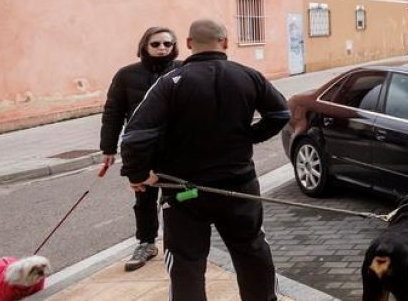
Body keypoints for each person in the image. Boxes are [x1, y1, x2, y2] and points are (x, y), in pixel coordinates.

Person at [120, 19, 291, 301]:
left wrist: (138, 174)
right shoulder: (249, 76)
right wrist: (249, 136)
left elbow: (136, 135)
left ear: (188, 44)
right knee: (251, 250)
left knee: (186, 261)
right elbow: (280, 114)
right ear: (225, 42)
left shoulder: (170, 83)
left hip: (185, 192)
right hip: (239, 187)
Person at [99, 26, 181, 272]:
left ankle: (180, 242)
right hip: (141, 150)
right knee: (143, 197)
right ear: (144, 46)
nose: (162, 48)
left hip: (176, 148)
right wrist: (108, 148)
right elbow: (112, 113)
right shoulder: (126, 75)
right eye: (156, 44)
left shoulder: (184, 70)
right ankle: (146, 243)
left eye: (167, 43)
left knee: (178, 197)